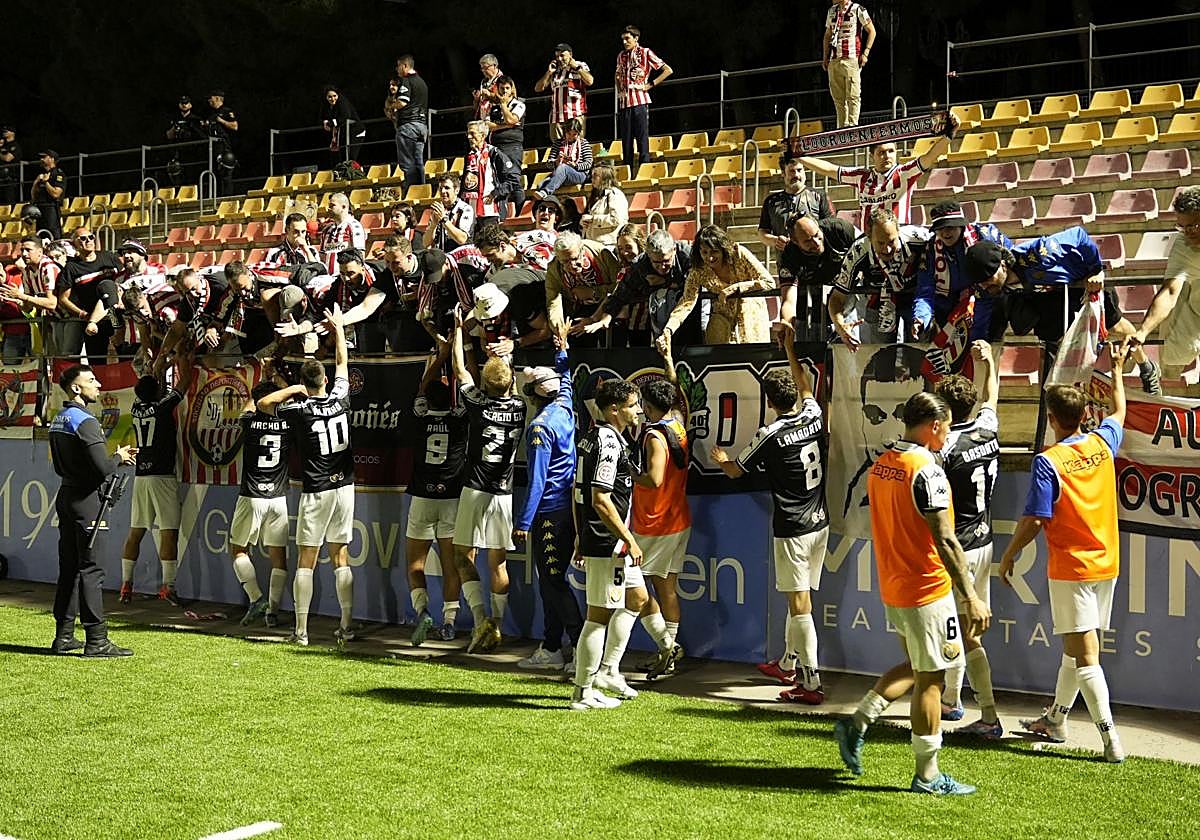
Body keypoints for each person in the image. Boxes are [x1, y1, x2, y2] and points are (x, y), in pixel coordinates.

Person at [835, 392, 990, 795]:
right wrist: (970, 595)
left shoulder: (882, 464)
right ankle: (928, 775)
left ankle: (857, 724)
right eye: (948, 426)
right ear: (934, 425)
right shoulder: (927, 471)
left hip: (895, 585)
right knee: (932, 680)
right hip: (927, 589)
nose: (949, 434)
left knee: (919, 667)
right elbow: (946, 539)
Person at [1000, 344, 1130, 764]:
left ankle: (1110, 740)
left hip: (1073, 568)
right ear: (1083, 415)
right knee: (1077, 648)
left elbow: (1035, 519)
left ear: (1052, 420)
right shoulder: (1102, 443)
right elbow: (1120, 411)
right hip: (1107, 563)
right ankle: (1055, 719)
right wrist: (1119, 370)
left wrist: (1010, 553)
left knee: (1086, 655)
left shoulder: (1049, 462)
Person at [712, 325, 829, 703]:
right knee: (800, 597)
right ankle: (789, 661)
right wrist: (790, 350)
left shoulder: (771, 434)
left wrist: (722, 459)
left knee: (799, 604)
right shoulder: (813, 414)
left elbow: (736, 472)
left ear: (769, 401)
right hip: (820, 522)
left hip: (793, 527)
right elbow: (806, 384)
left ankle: (810, 682)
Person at [259, 305, 356, 646]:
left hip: (317, 489)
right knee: (341, 556)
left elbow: (264, 405)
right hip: (345, 487)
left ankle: (300, 631)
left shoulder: (299, 409)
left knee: (307, 560)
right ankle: (346, 626)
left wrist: (292, 390)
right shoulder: (340, 398)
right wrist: (338, 329)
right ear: (325, 381)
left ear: (305, 384)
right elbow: (342, 362)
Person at [962, 233, 1157, 392]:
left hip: (1082, 286)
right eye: (980, 282)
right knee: (1056, 348)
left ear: (1003, 265)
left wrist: (1096, 269)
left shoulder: (1038, 253)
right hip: (1050, 301)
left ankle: (1146, 367)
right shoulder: (987, 288)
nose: (985, 285)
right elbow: (982, 312)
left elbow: (1079, 236)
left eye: (988, 278)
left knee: (1118, 328)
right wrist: (978, 341)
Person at [932, 342, 1003, 737]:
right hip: (984, 539)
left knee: (959, 631)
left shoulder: (943, 449)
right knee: (962, 626)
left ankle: (986, 714)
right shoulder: (987, 427)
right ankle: (952, 699)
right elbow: (992, 396)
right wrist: (989, 363)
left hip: (956, 546)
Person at [449, 303, 526, 653]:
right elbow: (509, 384)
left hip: (475, 489)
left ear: (484, 384)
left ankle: (481, 619)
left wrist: (458, 330)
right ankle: (497, 623)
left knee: (461, 555)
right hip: (503, 493)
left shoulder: (478, 404)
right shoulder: (520, 407)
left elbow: (459, 368)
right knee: (499, 562)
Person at [570, 378, 651, 709]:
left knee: (638, 597)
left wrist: (579, 536)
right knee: (598, 616)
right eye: (633, 405)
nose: (639, 411)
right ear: (614, 410)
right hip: (609, 540)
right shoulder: (607, 444)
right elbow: (599, 499)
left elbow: (577, 492)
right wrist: (628, 539)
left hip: (603, 537)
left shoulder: (596, 437)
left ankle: (608, 671)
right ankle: (582, 692)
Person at [48, 365, 138, 656]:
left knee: (70, 569)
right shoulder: (85, 421)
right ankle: (97, 640)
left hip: (67, 496)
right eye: (91, 380)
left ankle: (63, 636)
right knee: (91, 570)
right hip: (88, 502)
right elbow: (104, 469)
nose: (98, 384)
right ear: (76, 388)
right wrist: (119, 456)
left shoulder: (59, 418)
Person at [513, 320, 584, 671]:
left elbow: (538, 481)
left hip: (550, 513)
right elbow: (566, 376)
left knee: (553, 581)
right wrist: (562, 348)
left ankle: (581, 646)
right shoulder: (566, 403)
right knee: (550, 581)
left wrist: (524, 522)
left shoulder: (540, 428)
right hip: (567, 509)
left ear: (534, 395)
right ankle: (552, 645)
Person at [629, 341, 689, 679]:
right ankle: (670, 650)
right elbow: (677, 395)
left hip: (656, 522)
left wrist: (626, 472)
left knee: (635, 586)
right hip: (677, 518)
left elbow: (653, 478)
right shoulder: (678, 423)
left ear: (649, 407)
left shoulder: (654, 436)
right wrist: (668, 359)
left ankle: (667, 649)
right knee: (667, 588)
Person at [119, 358, 194, 607]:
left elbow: (152, 387)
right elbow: (185, 382)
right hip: (162, 476)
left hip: (141, 476)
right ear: (158, 391)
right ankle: (168, 587)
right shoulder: (163, 407)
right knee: (168, 532)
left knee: (135, 532)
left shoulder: (136, 408)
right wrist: (184, 361)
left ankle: (126, 585)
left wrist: (160, 366)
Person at [407, 340, 468, 645]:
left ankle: (422, 612)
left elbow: (423, 385)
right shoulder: (460, 419)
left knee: (414, 564)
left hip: (422, 497)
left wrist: (439, 357)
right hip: (452, 499)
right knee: (450, 565)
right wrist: (457, 353)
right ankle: (449, 622)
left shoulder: (419, 417)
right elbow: (466, 384)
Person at [797, 118, 957, 230]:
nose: (887, 156)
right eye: (881, 152)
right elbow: (829, 169)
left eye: (891, 151)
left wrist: (949, 135)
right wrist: (798, 156)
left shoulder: (905, 173)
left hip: (899, 238)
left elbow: (929, 157)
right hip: (869, 240)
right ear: (872, 156)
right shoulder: (861, 176)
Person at [228, 380, 293, 628]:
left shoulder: (249, 421)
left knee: (238, 550)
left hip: (252, 496)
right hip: (278, 498)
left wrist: (259, 382)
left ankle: (256, 599)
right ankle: (272, 612)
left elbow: (247, 408)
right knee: (279, 558)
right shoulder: (288, 423)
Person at [913, 200, 1012, 353]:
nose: (945, 233)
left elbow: (1011, 262)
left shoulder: (985, 236)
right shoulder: (931, 249)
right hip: (949, 310)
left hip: (988, 302)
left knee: (987, 348)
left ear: (961, 225)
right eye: (940, 229)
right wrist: (921, 316)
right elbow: (925, 289)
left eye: (950, 227)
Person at [1124, 186, 1200, 380]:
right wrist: (1143, 332)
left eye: (1193, 225)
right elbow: (1170, 292)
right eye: (1182, 227)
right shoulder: (1183, 244)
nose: (1188, 233)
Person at [827, 207, 930, 349]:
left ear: (898, 232)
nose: (887, 249)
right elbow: (837, 297)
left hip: (914, 301)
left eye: (891, 241)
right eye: (881, 243)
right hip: (879, 303)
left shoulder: (919, 238)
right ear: (869, 237)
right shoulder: (857, 251)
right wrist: (840, 326)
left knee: (919, 353)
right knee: (881, 355)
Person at [659, 224, 774, 350]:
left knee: (753, 355)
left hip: (751, 319)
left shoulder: (739, 254)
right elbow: (686, 302)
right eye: (704, 252)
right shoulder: (698, 271)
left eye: (714, 251)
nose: (710, 257)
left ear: (723, 249)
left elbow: (768, 282)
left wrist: (736, 288)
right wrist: (669, 329)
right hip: (721, 325)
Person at [777, 213, 859, 342]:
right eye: (807, 241)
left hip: (844, 294)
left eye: (816, 235)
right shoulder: (790, 255)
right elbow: (788, 299)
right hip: (813, 303)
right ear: (795, 242)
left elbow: (868, 249)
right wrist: (786, 322)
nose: (816, 243)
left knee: (848, 342)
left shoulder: (840, 229)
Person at [545, 231, 622, 340]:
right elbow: (553, 302)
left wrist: (593, 292)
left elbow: (620, 286)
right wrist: (559, 329)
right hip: (579, 309)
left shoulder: (601, 254)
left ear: (582, 250)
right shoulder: (554, 269)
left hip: (608, 305)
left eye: (575, 258)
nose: (572, 265)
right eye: (565, 262)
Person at [615, 25, 673, 169]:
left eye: (627, 38)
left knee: (642, 139)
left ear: (636, 38)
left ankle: (644, 169)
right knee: (626, 141)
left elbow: (667, 70)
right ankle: (627, 171)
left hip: (640, 101)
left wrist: (651, 84)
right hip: (624, 102)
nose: (624, 42)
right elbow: (617, 74)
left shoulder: (645, 52)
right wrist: (619, 84)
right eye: (623, 39)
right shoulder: (621, 55)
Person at [758, 153, 833, 250]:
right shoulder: (771, 201)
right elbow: (762, 232)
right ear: (783, 173)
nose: (796, 175)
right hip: (785, 257)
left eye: (799, 170)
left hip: (815, 256)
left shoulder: (819, 196)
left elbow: (831, 226)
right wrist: (775, 240)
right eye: (792, 171)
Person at [823, 0, 876, 127]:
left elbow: (872, 31)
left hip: (851, 58)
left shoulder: (858, 9)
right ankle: (841, 128)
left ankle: (852, 128)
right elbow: (827, 35)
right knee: (838, 99)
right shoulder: (832, 11)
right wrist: (825, 56)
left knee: (853, 96)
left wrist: (865, 53)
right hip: (834, 59)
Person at [462, 120, 521, 226]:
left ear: (483, 135)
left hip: (490, 211)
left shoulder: (494, 153)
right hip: (470, 212)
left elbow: (513, 179)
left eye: (472, 133)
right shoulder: (469, 155)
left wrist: (496, 193)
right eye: (468, 134)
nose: (469, 137)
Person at [485, 76, 526, 213]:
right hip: (496, 147)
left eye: (507, 88)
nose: (504, 91)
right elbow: (487, 125)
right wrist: (506, 125)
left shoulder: (519, 104)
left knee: (513, 180)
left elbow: (511, 119)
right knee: (500, 181)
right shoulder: (493, 107)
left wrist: (503, 105)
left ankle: (521, 213)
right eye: (502, 88)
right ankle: (503, 215)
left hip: (512, 147)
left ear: (512, 89)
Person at [389, 55, 429, 188]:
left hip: (408, 126)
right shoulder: (422, 82)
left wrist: (391, 106)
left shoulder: (406, 81)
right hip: (422, 126)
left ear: (405, 66)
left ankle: (411, 189)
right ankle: (422, 189)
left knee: (407, 162)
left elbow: (402, 102)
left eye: (398, 66)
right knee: (418, 162)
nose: (397, 69)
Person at [531, 118, 593, 197]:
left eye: (574, 134)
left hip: (579, 174)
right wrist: (556, 161)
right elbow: (549, 163)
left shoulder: (583, 143)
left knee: (563, 168)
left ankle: (546, 192)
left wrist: (575, 166)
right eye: (569, 134)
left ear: (578, 134)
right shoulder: (558, 143)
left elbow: (588, 163)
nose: (571, 137)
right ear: (564, 132)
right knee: (540, 186)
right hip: (560, 173)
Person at [423, 173, 475, 252]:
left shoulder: (465, 209)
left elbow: (462, 239)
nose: (443, 191)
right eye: (440, 188)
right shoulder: (438, 209)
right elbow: (425, 243)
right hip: (441, 256)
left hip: (461, 256)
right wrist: (433, 225)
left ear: (457, 190)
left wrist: (444, 219)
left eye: (447, 188)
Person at [581, 161, 628, 246]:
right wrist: (583, 222)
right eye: (592, 176)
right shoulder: (596, 196)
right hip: (592, 242)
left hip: (608, 244)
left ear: (605, 178)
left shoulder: (615, 194)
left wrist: (593, 219)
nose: (592, 179)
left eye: (595, 176)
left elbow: (616, 219)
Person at [320, 192, 368, 275]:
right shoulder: (327, 229)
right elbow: (322, 256)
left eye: (332, 205)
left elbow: (360, 256)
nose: (328, 209)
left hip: (345, 277)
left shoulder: (354, 226)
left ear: (344, 207)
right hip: (327, 278)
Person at [321, 85, 366, 168]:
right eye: (330, 97)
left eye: (334, 96)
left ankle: (356, 172)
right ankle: (346, 172)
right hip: (344, 133)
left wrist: (330, 123)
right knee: (342, 157)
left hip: (356, 132)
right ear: (326, 97)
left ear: (338, 95)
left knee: (351, 157)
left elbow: (345, 116)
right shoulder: (327, 105)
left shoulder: (342, 102)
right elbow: (323, 116)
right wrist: (325, 122)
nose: (332, 99)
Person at [30, 150, 67, 239]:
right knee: (40, 236)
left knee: (53, 235)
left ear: (52, 159)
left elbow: (56, 194)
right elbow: (33, 196)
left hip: (51, 208)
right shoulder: (42, 175)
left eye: (44, 157)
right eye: (41, 157)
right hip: (40, 208)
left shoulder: (58, 174)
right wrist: (35, 183)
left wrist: (46, 182)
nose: (41, 159)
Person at [473, 54, 504, 121]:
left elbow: (505, 99)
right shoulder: (484, 81)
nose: (483, 70)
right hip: (484, 119)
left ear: (494, 66)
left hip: (497, 118)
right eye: (482, 68)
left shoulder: (503, 80)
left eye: (485, 68)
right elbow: (478, 105)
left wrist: (489, 94)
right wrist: (477, 99)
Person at [0, 125, 22, 205]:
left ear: (12, 133)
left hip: (10, 178)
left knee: (9, 202)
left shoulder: (15, 146)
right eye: (4, 131)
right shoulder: (2, 145)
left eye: (6, 131)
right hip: (1, 178)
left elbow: (7, 158)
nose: (4, 133)